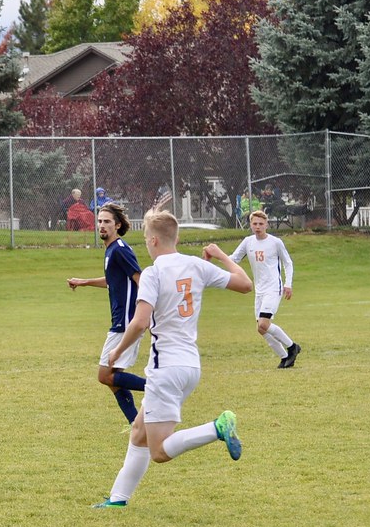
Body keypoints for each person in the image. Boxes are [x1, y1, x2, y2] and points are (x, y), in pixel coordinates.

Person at [93, 209, 253, 508]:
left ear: (153, 240)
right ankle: (117, 499)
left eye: (145, 239)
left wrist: (117, 352)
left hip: (164, 367)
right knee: (139, 432)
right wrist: (220, 254)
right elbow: (245, 284)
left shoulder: (154, 273)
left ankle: (217, 427)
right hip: (190, 366)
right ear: (175, 238)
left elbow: (140, 322)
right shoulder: (195, 265)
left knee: (159, 452)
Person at [67, 203, 145, 425]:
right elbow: (114, 281)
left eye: (107, 221)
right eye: (99, 221)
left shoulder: (120, 249)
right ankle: (137, 425)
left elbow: (140, 279)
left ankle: (157, 387)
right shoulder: (111, 249)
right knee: (113, 379)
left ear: (117, 225)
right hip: (121, 319)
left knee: (104, 375)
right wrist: (84, 282)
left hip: (125, 321)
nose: (101, 225)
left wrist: (144, 313)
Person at [228, 210, 300, 368]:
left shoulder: (275, 242)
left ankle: (293, 346)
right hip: (259, 290)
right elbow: (234, 259)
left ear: (266, 224)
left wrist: (288, 283)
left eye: (261, 224)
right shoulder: (248, 242)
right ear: (251, 225)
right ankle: (284, 357)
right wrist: (215, 257)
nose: (258, 226)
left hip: (273, 288)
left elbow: (288, 263)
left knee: (263, 324)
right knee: (261, 329)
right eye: (255, 224)